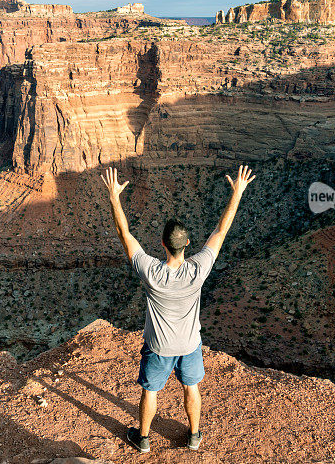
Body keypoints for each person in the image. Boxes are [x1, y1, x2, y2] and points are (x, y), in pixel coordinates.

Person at [100, 165, 256, 453]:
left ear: (161, 244)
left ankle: (143, 439)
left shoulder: (151, 272)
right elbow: (222, 230)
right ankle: (195, 435)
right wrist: (238, 193)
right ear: (187, 244)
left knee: (150, 391)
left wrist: (113, 197)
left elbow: (125, 234)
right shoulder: (199, 269)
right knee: (191, 388)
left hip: (159, 347)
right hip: (190, 345)